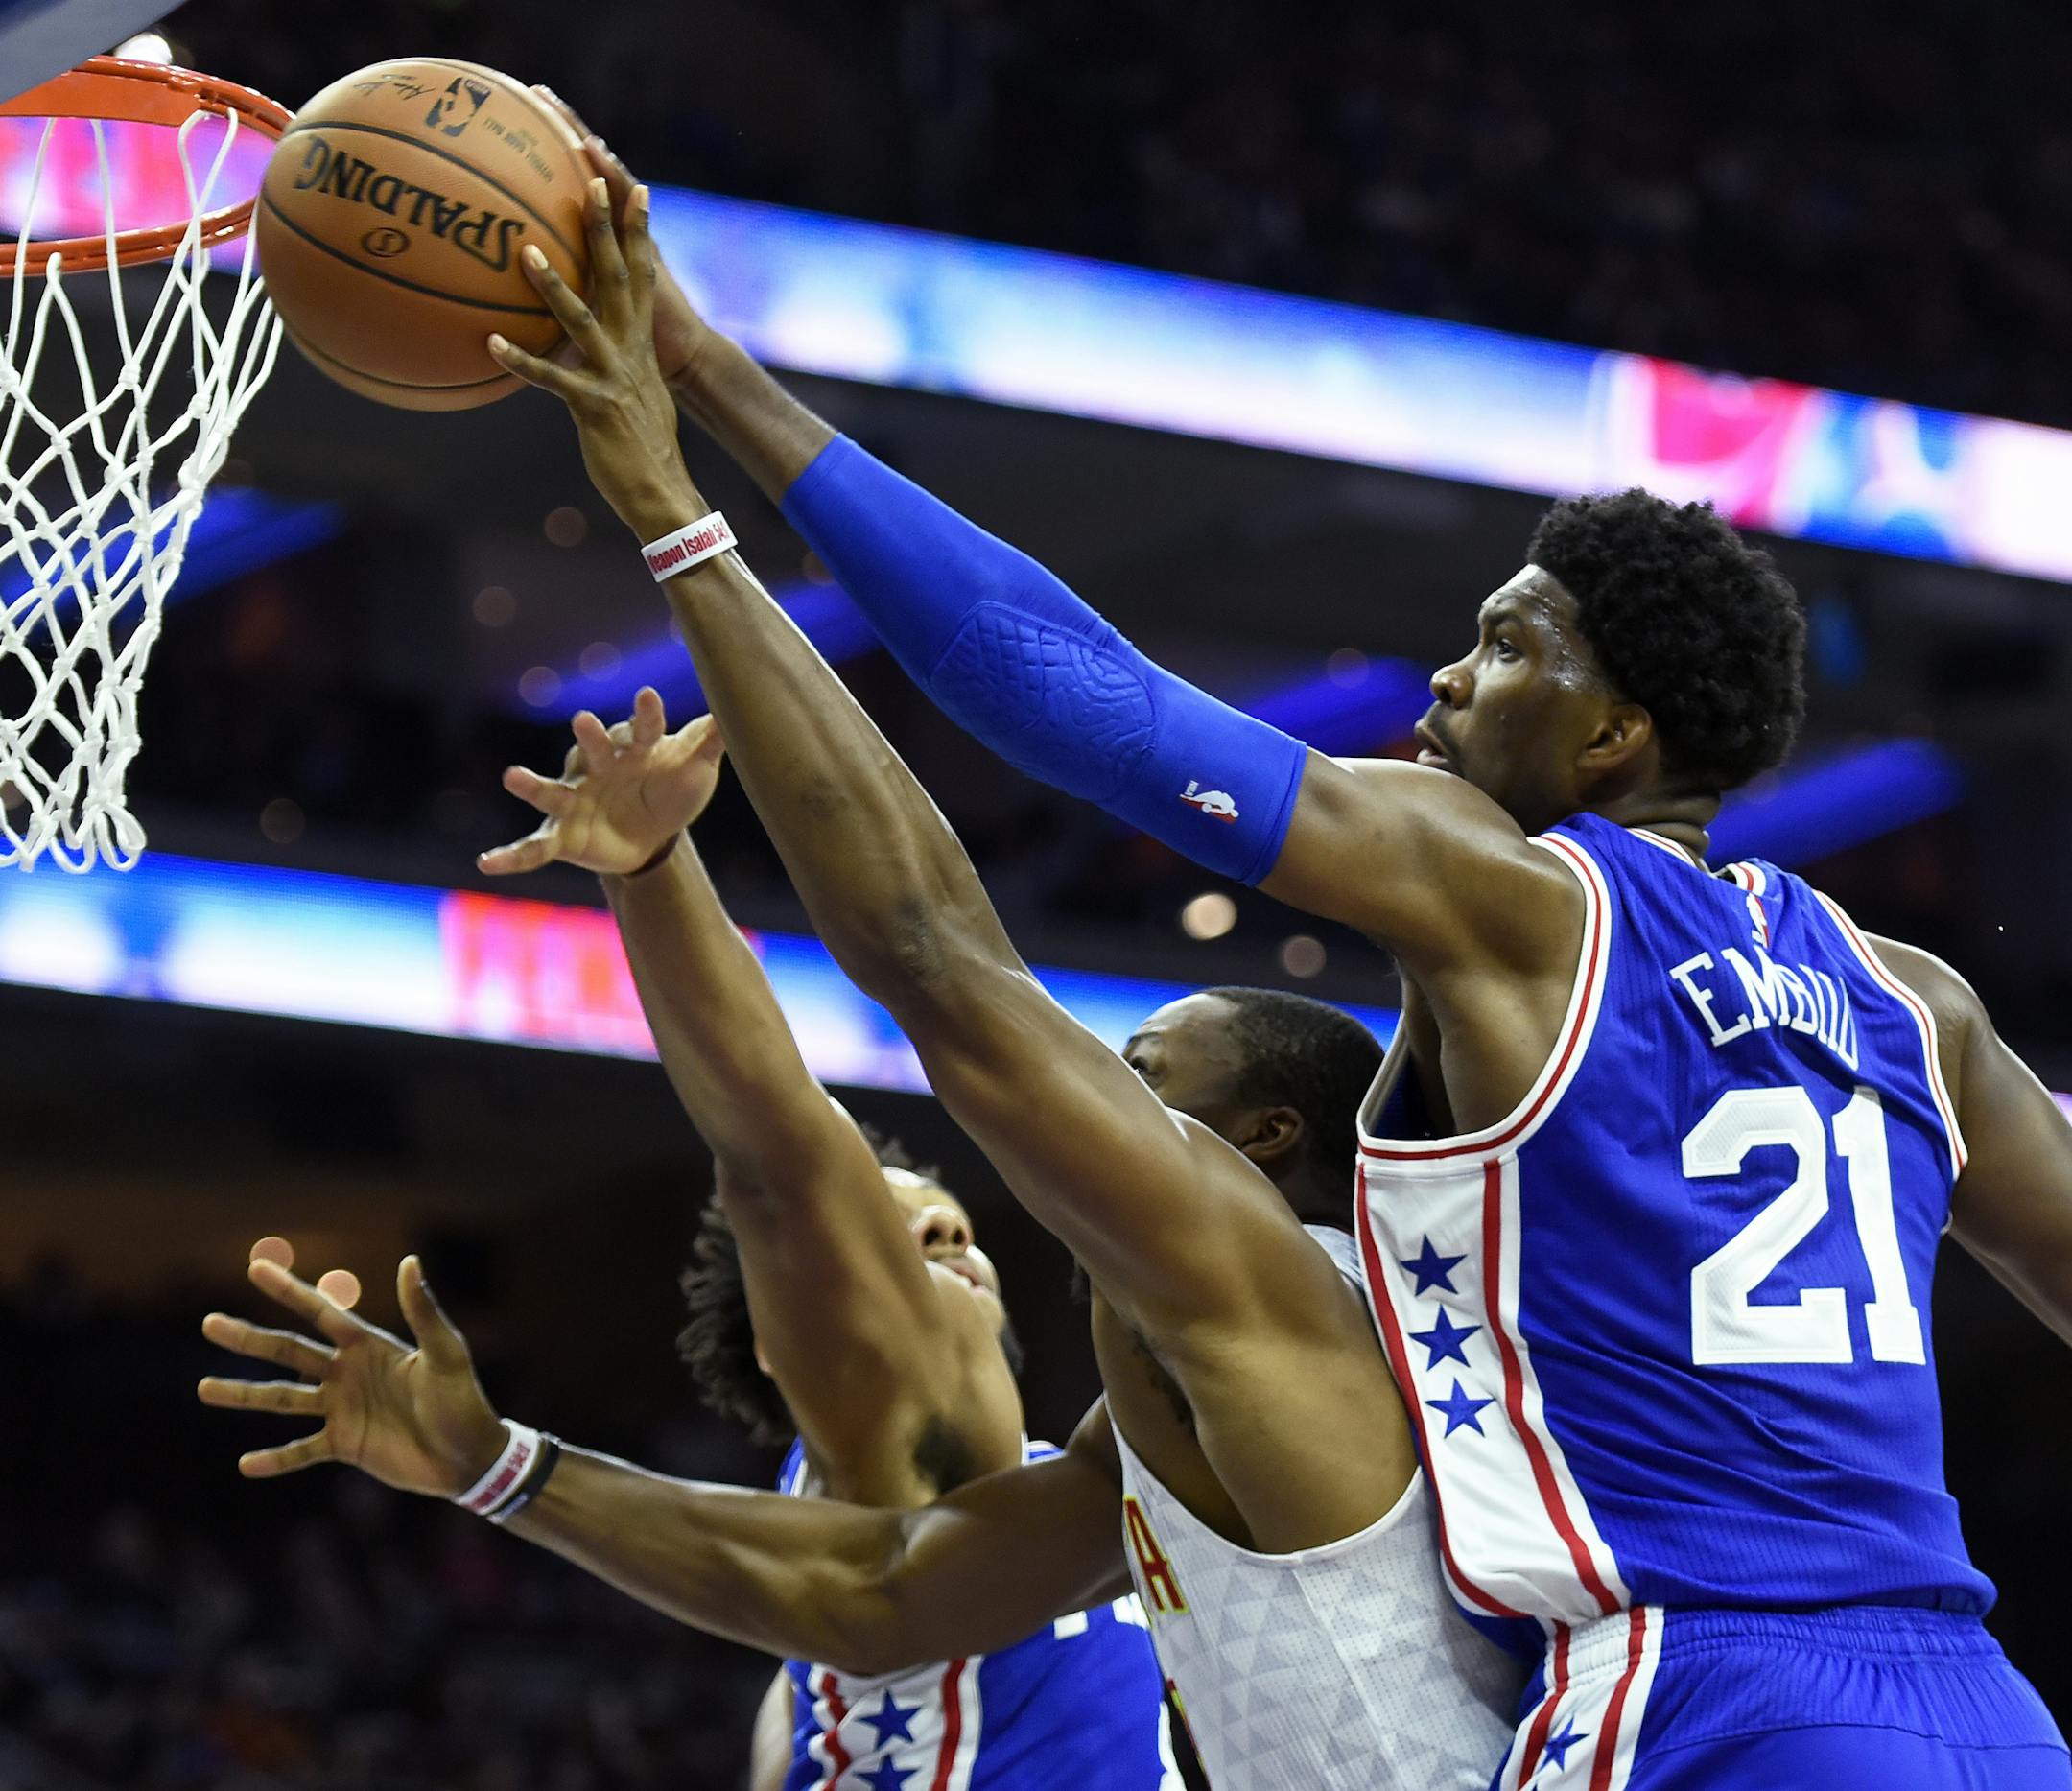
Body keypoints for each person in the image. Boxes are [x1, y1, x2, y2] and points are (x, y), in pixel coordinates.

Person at [486, 119, 2072, 1787]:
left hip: (1703, 1695)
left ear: (1614, 739)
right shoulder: (1919, 1003)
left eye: (1506, 648)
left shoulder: (1519, 890)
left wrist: (707, 390)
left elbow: (1088, 708)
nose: (1443, 688)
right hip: (1983, 1709)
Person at [203, 679, 1523, 1789]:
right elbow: (778, 1148)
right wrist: (657, 874)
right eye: (899, 1244)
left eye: (952, 1225)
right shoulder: (908, 1409)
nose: (947, 1248)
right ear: (804, 1332)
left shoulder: (1120, 1456)